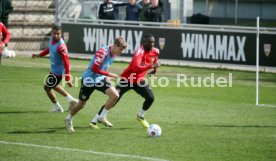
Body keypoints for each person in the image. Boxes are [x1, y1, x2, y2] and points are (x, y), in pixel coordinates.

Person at [90, 33, 160, 129]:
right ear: (143, 43)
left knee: (150, 98)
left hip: (139, 80)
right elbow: (136, 68)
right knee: (114, 98)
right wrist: (151, 66)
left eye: (153, 42)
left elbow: (155, 61)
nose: (152, 44)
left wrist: (154, 70)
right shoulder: (139, 52)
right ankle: (95, 120)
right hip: (127, 79)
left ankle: (140, 116)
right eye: (149, 42)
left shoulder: (155, 51)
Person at [64, 37, 127, 132]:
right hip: (88, 79)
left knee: (115, 95)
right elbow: (94, 68)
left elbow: (103, 67)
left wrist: (106, 77)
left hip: (99, 79)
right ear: (114, 46)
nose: (121, 52)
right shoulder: (103, 52)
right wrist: (109, 74)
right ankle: (68, 118)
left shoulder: (114, 53)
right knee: (81, 104)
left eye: (122, 50)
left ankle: (102, 116)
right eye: (120, 49)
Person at [32, 25, 78, 112]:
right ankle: (71, 100)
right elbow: (49, 49)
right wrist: (39, 55)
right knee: (54, 85)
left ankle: (58, 107)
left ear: (61, 34)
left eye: (58, 34)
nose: (56, 35)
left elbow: (66, 63)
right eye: (54, 33)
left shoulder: (61, 46)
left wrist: (67, 78)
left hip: (58, 72)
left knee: (47, 87)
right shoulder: (51, 40)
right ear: (51, 33)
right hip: (54, 70)